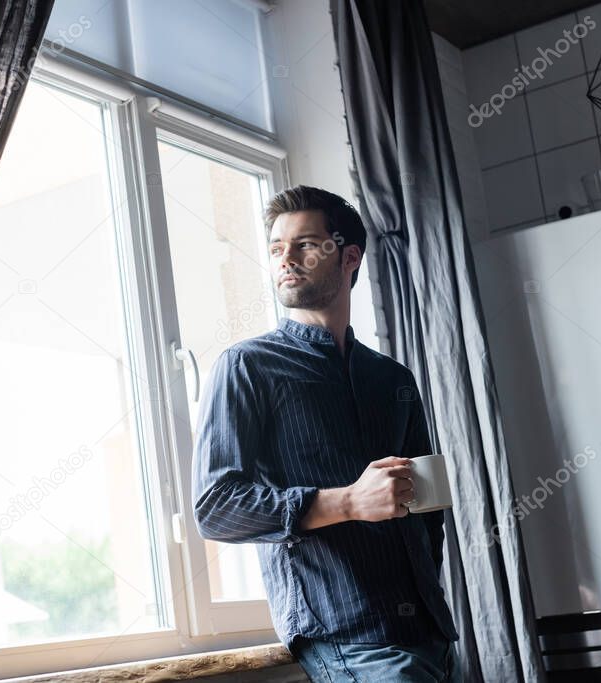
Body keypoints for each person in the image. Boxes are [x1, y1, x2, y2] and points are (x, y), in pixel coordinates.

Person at [191, 185, 460, 682]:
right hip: (349, 640)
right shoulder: (246, 367)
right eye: (276, 248)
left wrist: (430, 598)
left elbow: (428, 508)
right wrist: (350, 502)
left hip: (435, 637)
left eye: (305, 244)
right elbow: (216, 508)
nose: (286, 258)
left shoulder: (394, 379)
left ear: (349, 256)